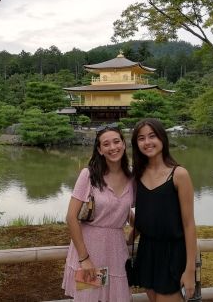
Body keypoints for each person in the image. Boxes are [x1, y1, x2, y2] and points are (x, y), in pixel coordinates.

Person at [62, 123, 134, 301]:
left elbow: (125, 211)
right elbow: (71, 218)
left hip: (117, 251)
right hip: (91, 248)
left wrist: (132, 237)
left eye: (116, 142)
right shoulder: (89, 175)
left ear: (123, 144)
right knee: (90, 297)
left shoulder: (132, 178)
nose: (113, 147)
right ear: (100, 150)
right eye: (106, 144)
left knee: (117, 297)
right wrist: (84, 258)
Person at [130, 118, 197, 302]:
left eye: (152, 136)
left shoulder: (178, 174)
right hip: (146, 250)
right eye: (141, 138)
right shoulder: (137, 174)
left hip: (172, 253)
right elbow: (128, 207)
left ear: (162, 138)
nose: (147, 142)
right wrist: (129, 237)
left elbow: (189, 224)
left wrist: (190, 269)